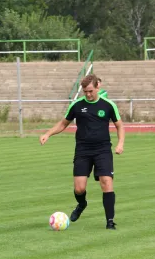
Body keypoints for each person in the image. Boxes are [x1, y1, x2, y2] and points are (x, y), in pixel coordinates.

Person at [39, 74, 124, 230]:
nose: (88, 94)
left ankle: (110, 221)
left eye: (90, 91)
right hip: (83, 150)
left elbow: (119, 125)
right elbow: (63, 123)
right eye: (85, 91)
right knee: (79, 188)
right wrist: (48, 133)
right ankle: (82, 203)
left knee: (106, 182)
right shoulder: (77, 105)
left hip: (103, 150)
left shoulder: (108, 105)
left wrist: (120, 144)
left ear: (98, 86)